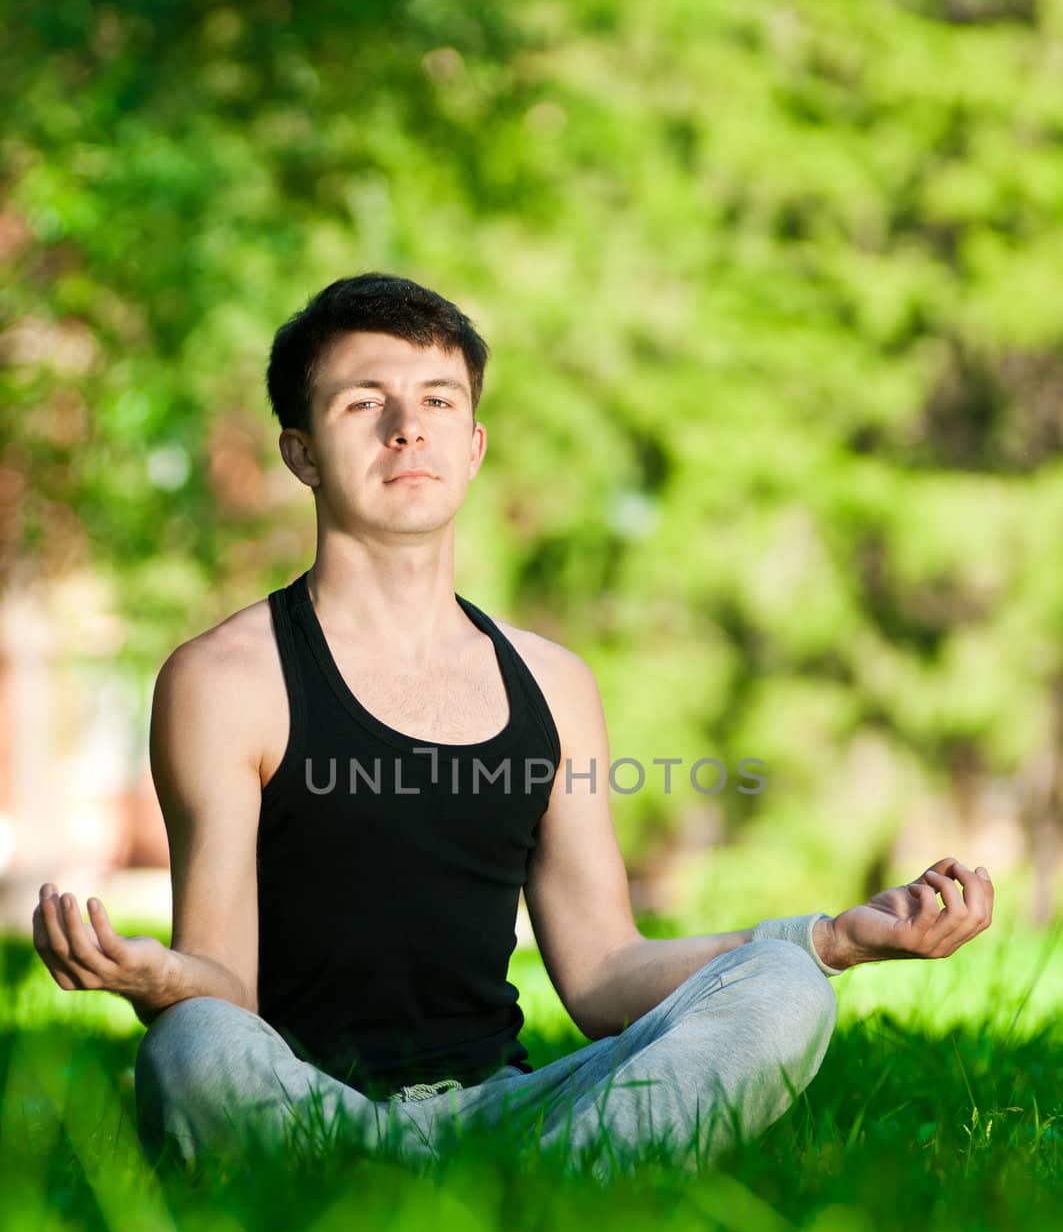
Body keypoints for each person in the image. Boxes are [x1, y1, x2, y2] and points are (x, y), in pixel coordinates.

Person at [31, 274, 995, 1184]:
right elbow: (224, 987)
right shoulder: (224, 680)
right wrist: (154, 977)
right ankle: (496, 1189)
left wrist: (831, 939)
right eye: (365, 402)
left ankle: (540, 1179)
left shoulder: (552, 683)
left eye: (439, 400)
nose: (409, 430)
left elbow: (606, 973)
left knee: (786, 987)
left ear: (475, 445)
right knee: (193, 1045)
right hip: (304, 1101)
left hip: (507, 1112)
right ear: (301, 452)